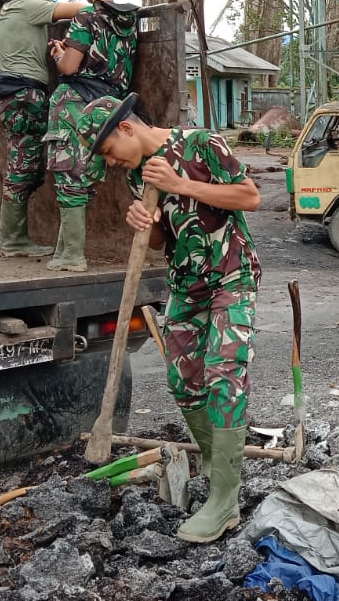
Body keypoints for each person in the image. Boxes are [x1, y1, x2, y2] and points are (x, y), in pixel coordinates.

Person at [74, 93, 262, 544]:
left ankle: (224, 501)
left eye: (107, 151)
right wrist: (145, 218)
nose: (111, 162)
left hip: (230, 276)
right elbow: (162, 237)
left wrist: (181, 185)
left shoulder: (201, 145)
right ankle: (217, 467)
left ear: (125, 128)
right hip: (187, 284)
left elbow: (250, 197)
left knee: (224, 374)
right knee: (183, 381)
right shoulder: (140, 173)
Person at [43, 0, 139, 272]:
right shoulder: (128, 22)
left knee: (69, 174)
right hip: (109, 105)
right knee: (85, 177)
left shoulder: (86, 18)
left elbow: (70, 67)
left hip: (77, 105)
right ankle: (64, 252)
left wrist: (59, 54)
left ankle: (72, 255)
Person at [0, 0, 84, 258]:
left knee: (23, 164)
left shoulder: (18, 12)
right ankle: (11, 240)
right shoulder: (28, 6)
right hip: (22, 97)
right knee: (22, 167)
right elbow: (79, 10)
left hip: (16, 97)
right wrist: (105, 5)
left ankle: (12, 237)